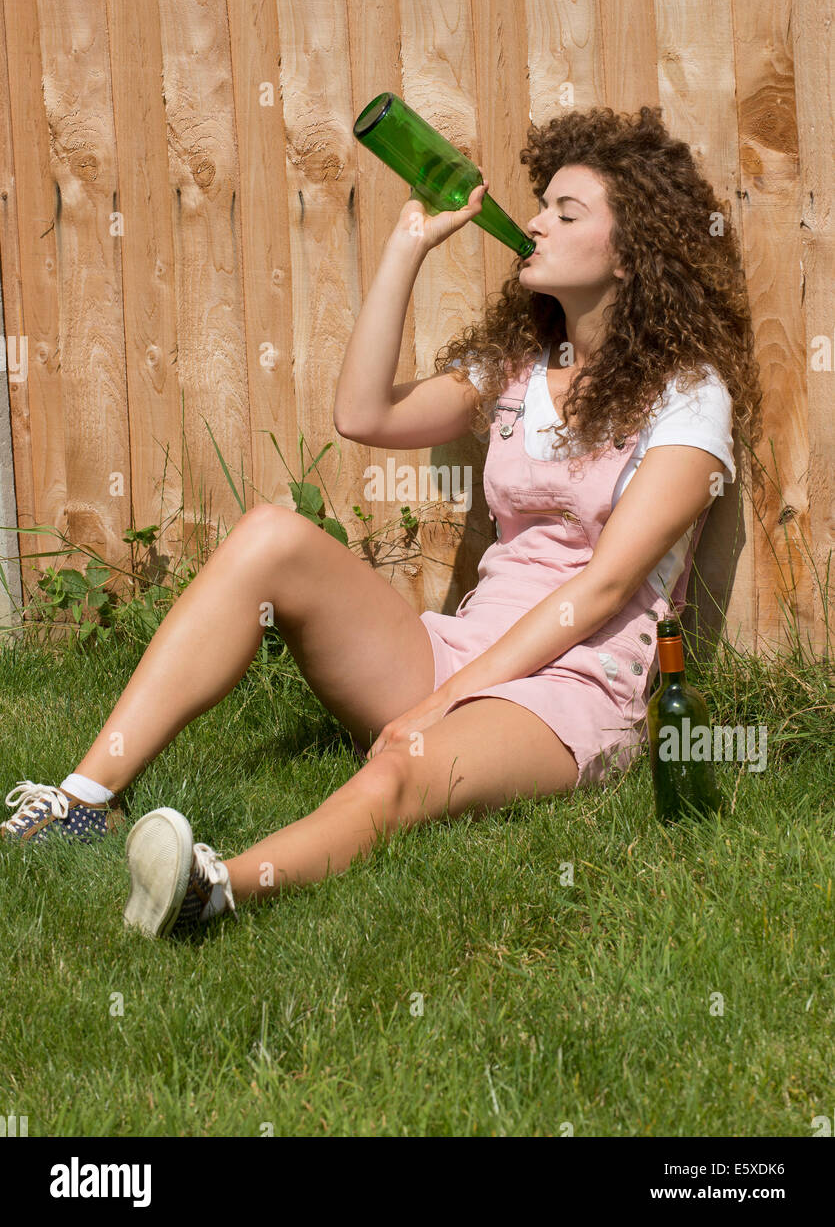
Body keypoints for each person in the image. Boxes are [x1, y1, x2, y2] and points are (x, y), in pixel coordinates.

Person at [1, 104, 762, 940]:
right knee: (270, 536)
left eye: (565, 213)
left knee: (401, 767)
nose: (535, 222)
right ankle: (82, 801)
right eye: (540, 204)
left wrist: (447, 704)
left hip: (571, 691)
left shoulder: (688, 396)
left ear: (628, 255)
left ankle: (213, 888)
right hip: (460, 651)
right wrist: (407, 246)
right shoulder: (518, 364)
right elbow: (363, 414)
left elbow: (608, 582)